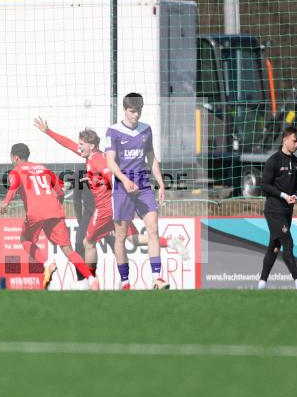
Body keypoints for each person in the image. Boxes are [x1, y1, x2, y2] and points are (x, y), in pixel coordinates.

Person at [35, 116, 188, 289]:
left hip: (106, 208)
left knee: (88, 243)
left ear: (91, 146)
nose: (78, 147)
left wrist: (116, 185)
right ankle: (170, 242)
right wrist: (48, 131)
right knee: (133, 240)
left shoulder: (98, 160)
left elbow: (111, 175)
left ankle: (91, 281)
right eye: (79, 144)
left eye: (81, 144)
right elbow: (68, 144)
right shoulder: (93, 155)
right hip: (116, 206)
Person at [0, 142, 96, 289]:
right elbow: (60, 192)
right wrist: (56, 204)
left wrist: (5, 203)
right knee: (68, 249)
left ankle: (47, 263)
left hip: (36, 213)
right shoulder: (43, 168)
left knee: (24, 239)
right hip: (55, 211)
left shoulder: (16, 171)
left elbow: (13, 186)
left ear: (15, 157)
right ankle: (91, 279)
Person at [104, 93, 169, 290]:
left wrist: (161, 183)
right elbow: (110, 161)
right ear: (124, 110)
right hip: (122, 188)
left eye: (139, 110)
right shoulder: (113, 131)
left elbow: (151, 158)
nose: (136, 115)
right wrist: (124, 180)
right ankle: (125, 282)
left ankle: (157, 278)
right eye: (132, 111)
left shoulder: (146, 130)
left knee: (153, 229)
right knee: (121, 236)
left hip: (143, 185)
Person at [258, 127, 297, 290]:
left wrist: (295, 196)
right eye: (295, 141)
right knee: (287, 241)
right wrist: (283, 195)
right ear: (285, 140)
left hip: (288, 211)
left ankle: (261, 284)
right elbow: (264, 186)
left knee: (274, 247)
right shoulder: (273, 161)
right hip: (274, 211)